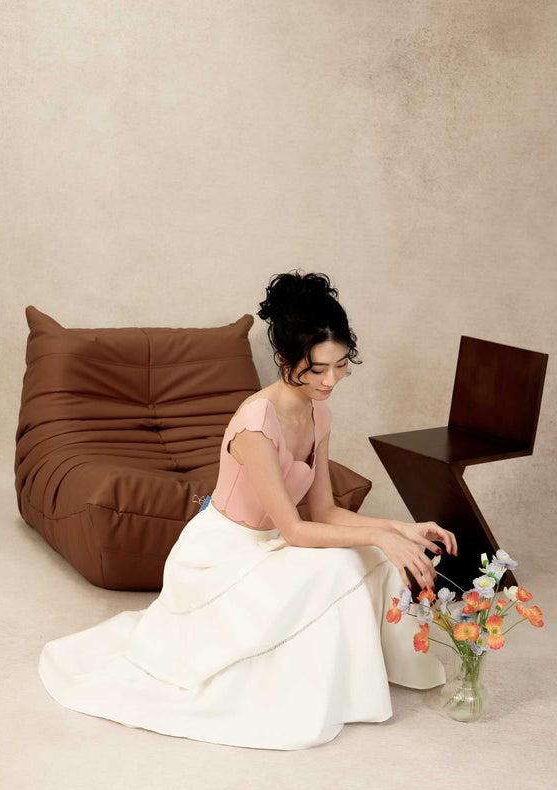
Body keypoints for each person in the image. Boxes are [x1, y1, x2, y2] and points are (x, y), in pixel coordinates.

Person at [39, 271, 457, 750]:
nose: (330, 380)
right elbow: (297, 530)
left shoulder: (319, 413)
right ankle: (314, 690)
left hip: (271, 544)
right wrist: (380, 535)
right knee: (344, 562)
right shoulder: (256, 423)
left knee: (373, 555)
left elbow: (324, 509)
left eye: (341, 365)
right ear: (284, 360)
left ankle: (354, 682)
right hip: (222, 556)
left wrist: (400, 528)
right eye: (317, 369)